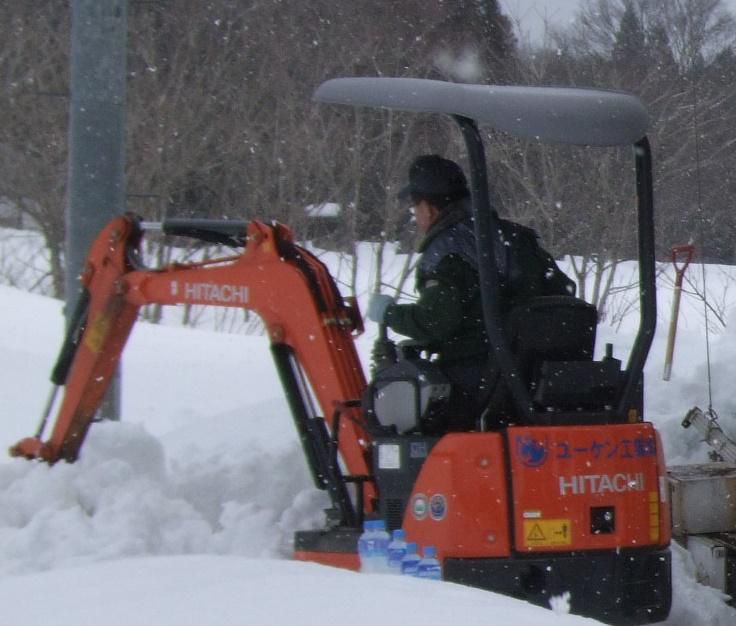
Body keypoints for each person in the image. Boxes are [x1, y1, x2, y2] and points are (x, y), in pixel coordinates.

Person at [366, 154, 574, 433]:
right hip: (535, 381)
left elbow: (435, 321)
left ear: (428, 207)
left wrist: (390, 313)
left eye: (415, 208)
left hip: (479, 382)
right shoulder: (515, 239)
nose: (416, 217)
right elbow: (558, 297)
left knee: (388, 411)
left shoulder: (448, 250)